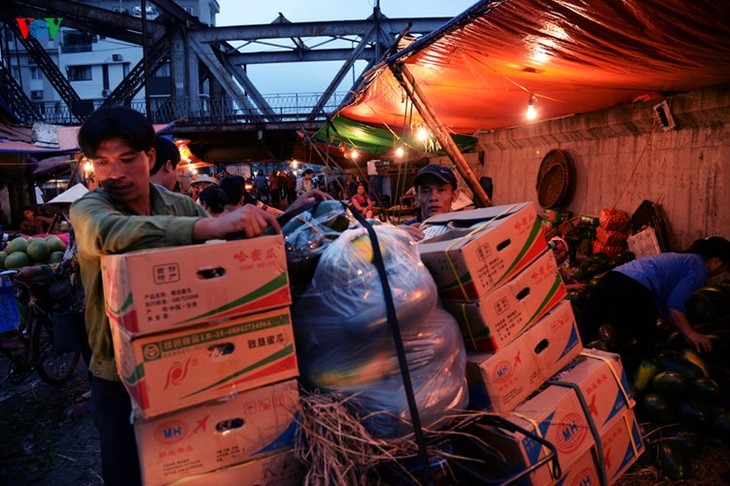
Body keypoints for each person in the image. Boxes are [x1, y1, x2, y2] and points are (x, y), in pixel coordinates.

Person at [69, 106, 324, 486]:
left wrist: (290, 215)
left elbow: (219, 251)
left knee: (195, 467)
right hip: (118, 377)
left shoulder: (179, 204)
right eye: (103, 163)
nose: (115, 174)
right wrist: (208, 225)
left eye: (126, 159)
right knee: (127, 473)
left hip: (188, 358)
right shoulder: (90, 208)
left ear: (149, 157)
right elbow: (112, 233)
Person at [578, 236, 730, 366]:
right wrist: (690, 333)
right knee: (643, 349)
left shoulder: (685, 258)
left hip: (610, 279)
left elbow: (666, 302)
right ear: (716, 261)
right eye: (725, 268)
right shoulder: (699, 268)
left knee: (584, 337)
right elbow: (674, 304)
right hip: (632, 290)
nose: (721, 273)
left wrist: (677, 325)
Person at [400, 164, 459, 240]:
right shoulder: (404, 233)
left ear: (454, 195)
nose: (433, 198)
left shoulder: (465, 231)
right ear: (416, 197)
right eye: (425, 191)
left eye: (441, 190)